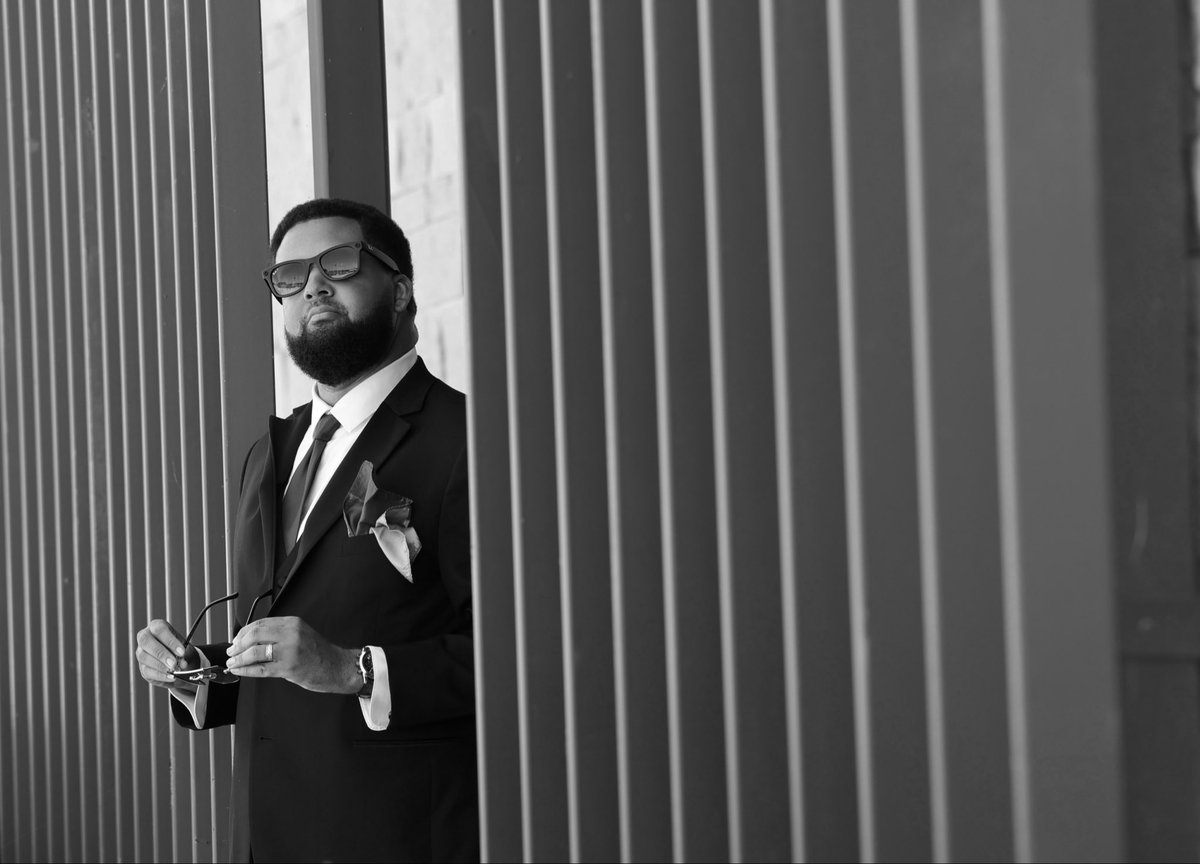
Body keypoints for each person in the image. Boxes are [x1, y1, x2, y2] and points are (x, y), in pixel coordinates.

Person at [134, 198, 476, 863]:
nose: (311, 285)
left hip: (404, 838)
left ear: (401, 289)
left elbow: (522, 654)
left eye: (338, 264)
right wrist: (200, 676)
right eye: (288, 276)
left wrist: (353, 670)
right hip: (273, 835)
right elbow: (300, 631)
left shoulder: (469, 439)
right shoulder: (271, 451)